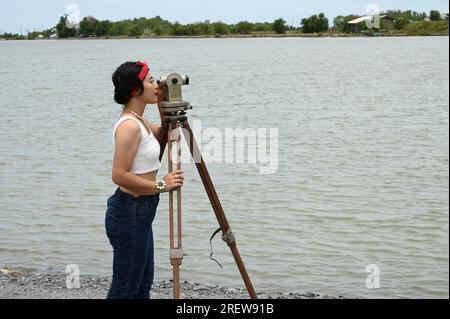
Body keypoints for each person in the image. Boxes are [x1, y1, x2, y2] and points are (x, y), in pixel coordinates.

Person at [105, 61, 184, 299]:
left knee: (142, 286)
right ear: (135, 90)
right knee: (125, 289)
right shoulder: (129, 126)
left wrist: (163, 106)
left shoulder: (139, 121)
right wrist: (162, 185)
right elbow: (119, 176)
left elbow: (163, 137)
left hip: (141, 210)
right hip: (129, 211)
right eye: (150, 81)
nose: (155, 84)